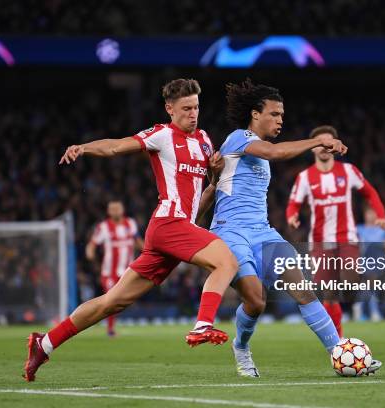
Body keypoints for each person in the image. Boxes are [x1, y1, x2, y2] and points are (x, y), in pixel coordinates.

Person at [23, 78, 238, 382]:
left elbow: (200, 200)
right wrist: (84, 147)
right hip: (167, 223)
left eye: (196, 107)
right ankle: (203, 325)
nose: (193, 113)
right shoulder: (161, 134)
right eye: (186, 108)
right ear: (170, 109)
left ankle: (44, 344)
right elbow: (115, 147)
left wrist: (215, 179)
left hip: (179, 228)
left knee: (113, 302)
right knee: (227, 261)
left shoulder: (204, 140)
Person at [201, 78, 379, 378]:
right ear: (256, 114)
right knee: (256, 302)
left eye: (282, 115)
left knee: (304, 291)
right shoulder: (238, 139)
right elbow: (274, 153)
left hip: (263, 232)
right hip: (230, 232)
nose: (280, 119)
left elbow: (220, 184)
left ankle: (341, 353)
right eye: (275, 114)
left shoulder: (258, 151)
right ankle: (241, 348)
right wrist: (317, 140)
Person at [286, 125, 385, 337]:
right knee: (328, 293)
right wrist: (291, 216)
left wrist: (381, 215)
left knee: (351, 282)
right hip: (320, 241)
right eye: (320, 143)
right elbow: (293, 203)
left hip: (347, 238)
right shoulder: (305, 177)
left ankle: (354, 304)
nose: (325, 147)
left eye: (329, 142)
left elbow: (369, 192)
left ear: (336, 145)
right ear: (313, 148)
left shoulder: (348, 171)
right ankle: (337, 340)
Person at [85, 200, 144, 336]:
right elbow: (93, 243)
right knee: (111, 300)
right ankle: (110, 329)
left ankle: (104, 323)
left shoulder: (130, 223)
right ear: (109, 212)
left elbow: (138, 241)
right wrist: (90, 252)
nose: (116, 211)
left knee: (119, 301)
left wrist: (149, 251)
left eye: (118, 208)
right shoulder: (104, 227)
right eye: (113, 209)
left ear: (122, 210)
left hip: (128, 272)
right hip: (109, 273)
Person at [353, 208, 385, 322]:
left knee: (368, 286)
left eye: (373, 214)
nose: (370, 216)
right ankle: (373, 310)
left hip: (376, 260)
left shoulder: (381, 229)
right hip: (363, 260)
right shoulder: (359, 229)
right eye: (368, 213)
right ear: (365, 215)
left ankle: (359, 306)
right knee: (369, 284)